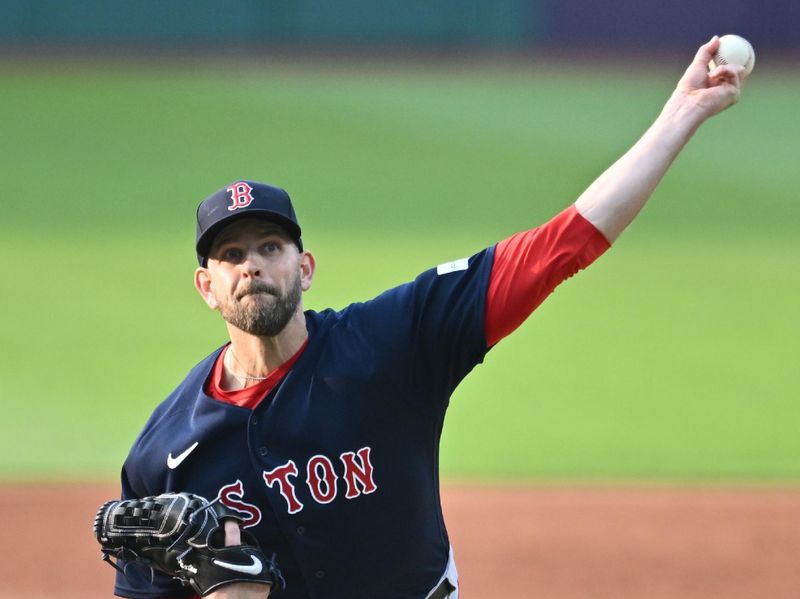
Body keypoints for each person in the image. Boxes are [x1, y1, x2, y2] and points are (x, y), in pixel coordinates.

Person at [114, 38, 745, 599]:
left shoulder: (393, 340)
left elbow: (562, 245)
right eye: (232, 254)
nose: (252, 266)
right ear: (208, 286)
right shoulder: (165, 454)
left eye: (270, 248)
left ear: (304, 268)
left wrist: (683, 113)